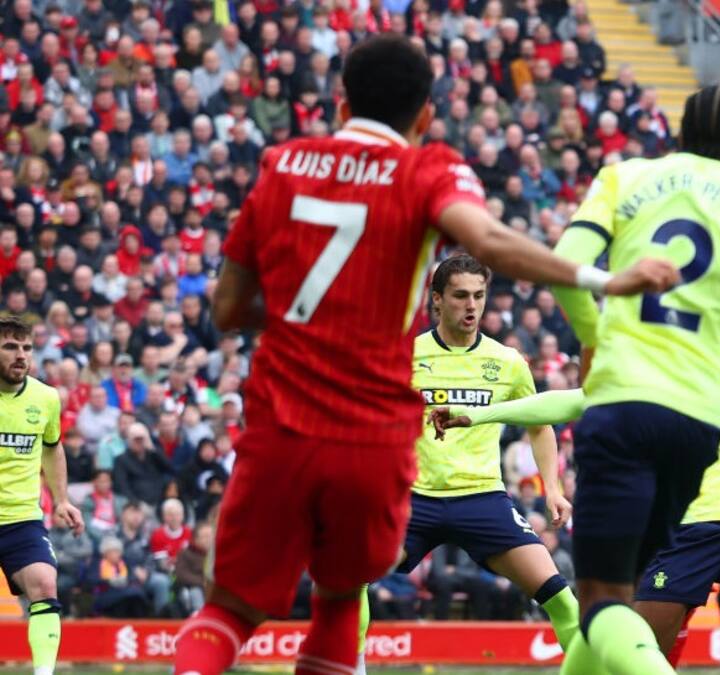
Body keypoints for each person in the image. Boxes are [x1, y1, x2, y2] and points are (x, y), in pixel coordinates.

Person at [172, 35, 677, 675]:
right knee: (339, 601)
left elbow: (226, 310)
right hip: (371, 442)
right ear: (426, 115)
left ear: (340, 104)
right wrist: (602, 279)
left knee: (227, 611)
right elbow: (488, 238)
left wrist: (315, 324)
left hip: (283, 426)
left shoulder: (282, 164)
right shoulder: (425, 170)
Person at [547, 84, 720, 674]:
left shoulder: (623, 178)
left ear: (679, 136)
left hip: (623, 404)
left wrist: (593, 336)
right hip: (698, 423)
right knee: (618, 599)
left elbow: (565, 264)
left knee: (602, 602)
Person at [431, 370, 720, 675]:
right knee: (626, 660)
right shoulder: (660, 371)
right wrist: (478, 415)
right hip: (683, 541)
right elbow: (569, 402)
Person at [353, 255, 579, 672]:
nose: (471, 305)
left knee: (561, 598)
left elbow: (540, 425)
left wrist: (553, 488)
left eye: (479, 295)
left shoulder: (507, 361)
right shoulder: (405, 355)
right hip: (414, 499)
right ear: (437, 300)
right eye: (460, 296)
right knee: (349, 582)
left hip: (482, 498)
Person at [0, 316, 83, 675]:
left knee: (45, 584)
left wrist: (62, 499)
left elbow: (52, 447)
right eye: (9, 346)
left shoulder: (46, 397)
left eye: (26, 348)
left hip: (21, 517)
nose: (21, 355)